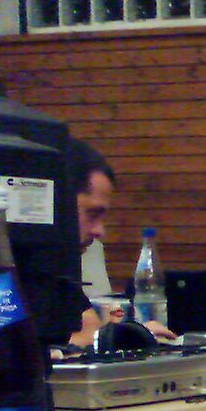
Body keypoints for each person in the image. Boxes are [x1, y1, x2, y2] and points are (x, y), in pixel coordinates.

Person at [65, 137, 174, 348]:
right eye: (92, 214)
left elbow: (90, 334)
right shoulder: (4, 272)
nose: (100, 231)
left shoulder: (56, 272)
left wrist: (133, 334)